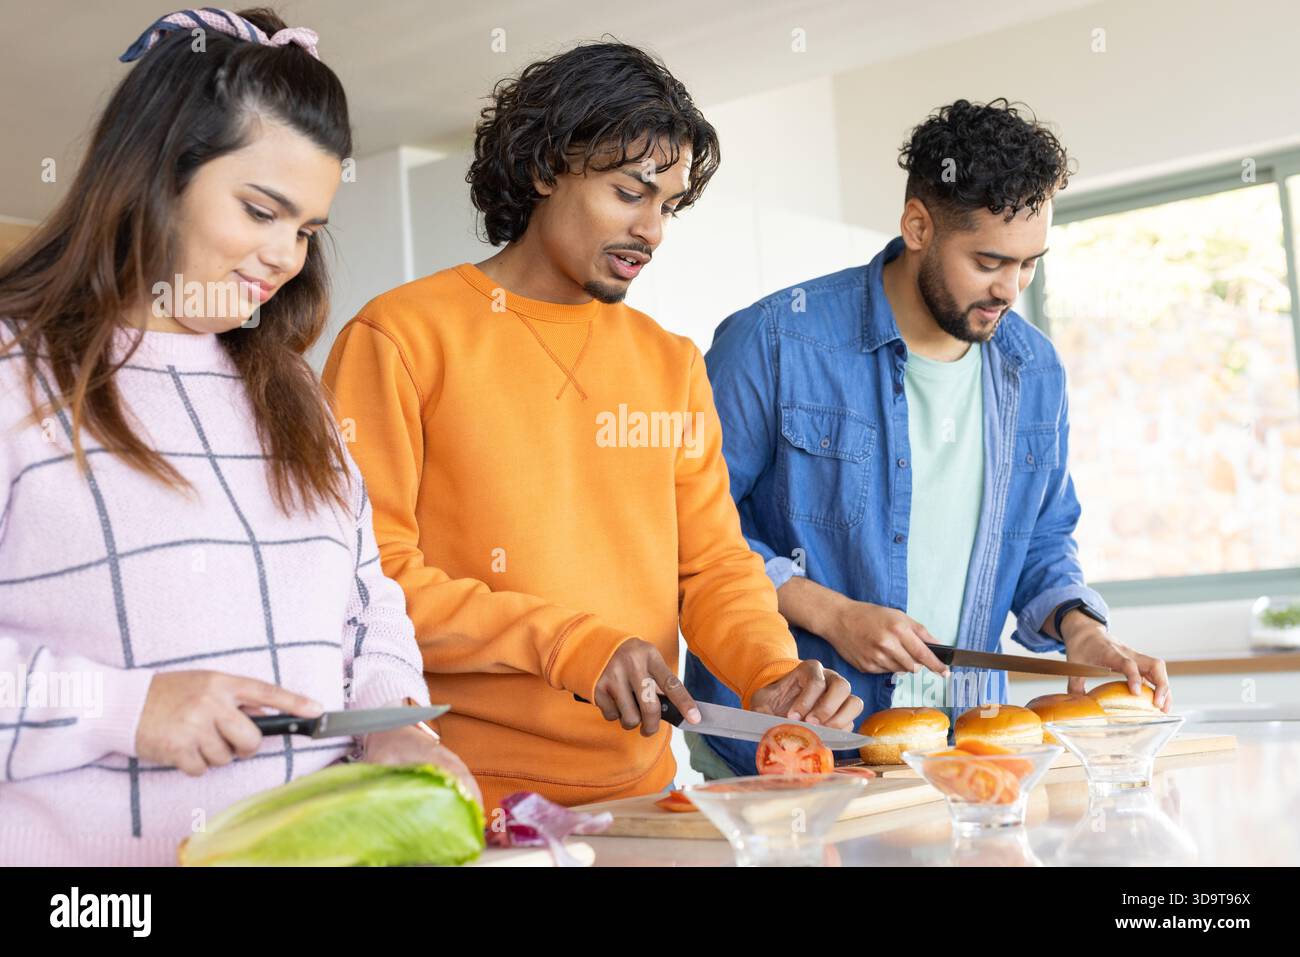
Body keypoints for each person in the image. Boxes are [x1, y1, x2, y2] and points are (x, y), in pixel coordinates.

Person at [323, 41, 863, 813]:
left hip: (645, 796)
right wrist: (572, 642)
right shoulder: (402, 337)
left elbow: (712, 566)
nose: (653, 229)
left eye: (669, 205)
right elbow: (367, 580)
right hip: (456, 798)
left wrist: (769, 668)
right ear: (546, 168)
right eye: (629, 192)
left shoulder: (669, 362)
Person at [0, 7, 476, 866]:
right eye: (261, 210)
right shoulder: (14, 371)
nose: (283, 256)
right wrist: (124, 708)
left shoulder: (292, 390)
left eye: (305, 231)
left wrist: (395, 729)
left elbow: (368, 609)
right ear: (154, 172)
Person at [686, 99, 1172, 777]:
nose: (1011, 289)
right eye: (988, 261)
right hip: (791, 754)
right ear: (917, 224)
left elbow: (1041, 537)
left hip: (962, 752)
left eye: (1031, 263)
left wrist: (1081, 630)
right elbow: (690, 533)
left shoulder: (1034, 369)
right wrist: (830, 613)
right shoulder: (773, 340)